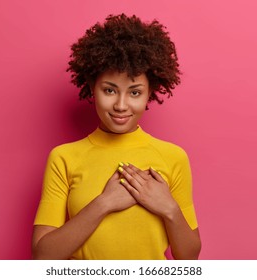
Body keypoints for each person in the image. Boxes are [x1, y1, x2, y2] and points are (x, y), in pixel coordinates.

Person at [32, 14, 201, 260]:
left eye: (134, 92)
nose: (121, 105)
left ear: (150, 93)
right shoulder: (64, 158)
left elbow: (189, 259)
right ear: (92, 87)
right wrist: (104, 203)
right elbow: (43, 257)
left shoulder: (173, 157)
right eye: (109, 90)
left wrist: (170, 209)